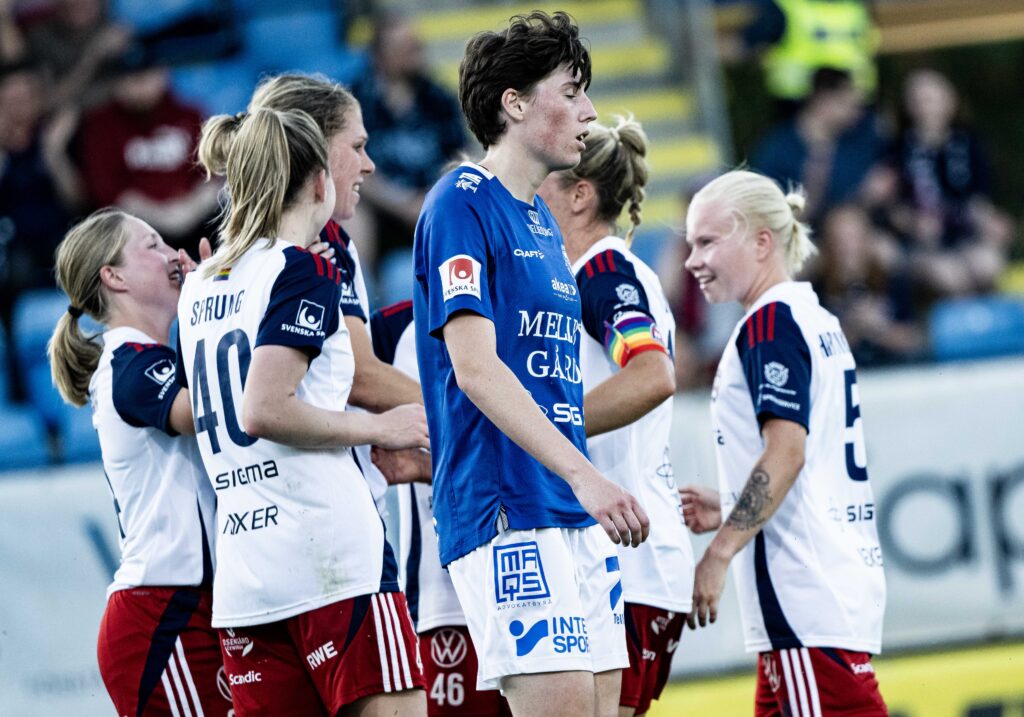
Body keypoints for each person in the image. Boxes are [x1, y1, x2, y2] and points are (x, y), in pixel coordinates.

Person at [413, 11, 649, 717]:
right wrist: (585, 473)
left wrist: (577, 482)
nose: (589, 112)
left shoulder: (543, 221)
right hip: (508, 510)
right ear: (514, 104)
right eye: (571, 92)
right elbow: (475, 369)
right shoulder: (460, 201)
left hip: (568, 509)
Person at [177, 107, 428, 716]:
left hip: (246, 572)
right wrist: (381, 425)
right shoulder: (305, 267)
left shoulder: (201, 282)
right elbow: (264, 409)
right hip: (332, 558)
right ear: (320, 181)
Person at [680, 170, 888, 715]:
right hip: (820, 596)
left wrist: (719, 553)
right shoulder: (814, 318)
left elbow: (787, 453)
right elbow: (807, 461)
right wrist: (731, 504)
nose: (692, 261)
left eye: (707, 242)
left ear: (761, 241)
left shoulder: (769, 325)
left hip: (803, 599)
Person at [537, 116, 695, 717]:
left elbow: (651, 374)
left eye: (543, 183)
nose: (527, 196)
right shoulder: (580, 277)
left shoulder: (603, 272)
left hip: (631, 563)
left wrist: (545, 433)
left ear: (580, 196)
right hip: (618, 555)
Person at [48, 208, 229, 716]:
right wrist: (224, 307)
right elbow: (206, 411)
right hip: (162, 611)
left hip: (190, 603)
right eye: (152, 245)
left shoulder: (154, 357)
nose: (174, 254)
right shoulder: (129, 362)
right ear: (114, 276)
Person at [247, 72, 425, 515]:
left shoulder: (231, 254)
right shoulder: (319, 246)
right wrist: (476, 413)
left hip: (253, 508)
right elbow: (361, 377)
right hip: (323, 505)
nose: (370, 165)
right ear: (316, 154)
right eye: (357, 146)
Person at [367, 300, 513, 717]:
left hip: (527, 577)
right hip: (440, 599)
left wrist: (427, 463)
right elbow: (351, 380)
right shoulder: (390, 327)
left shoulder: (521, 309)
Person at [349, 11, 467, 276]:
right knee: (352, 212)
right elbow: (349, 163)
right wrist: (402, 203)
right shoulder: (355, 100)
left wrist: (432, 199)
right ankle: (360, 290)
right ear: (379, 55)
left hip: (432, 203)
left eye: (416, 45)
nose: (415, 53)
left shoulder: (439, 97)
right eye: (404, 48)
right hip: (380, 208)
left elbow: (460, 157)